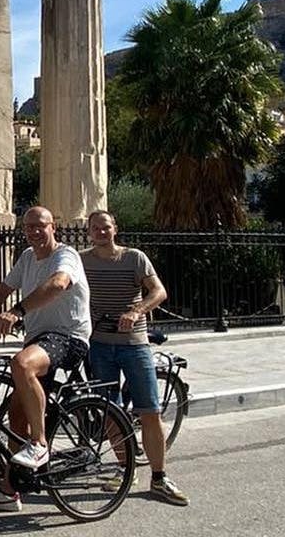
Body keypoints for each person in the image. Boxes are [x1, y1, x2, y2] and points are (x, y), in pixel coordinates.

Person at [81, 210, 188, 506]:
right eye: (95, 228)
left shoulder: (134, 258)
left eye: (106, 227)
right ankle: (124, 468)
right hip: (99, 344)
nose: (101, 232)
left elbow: (158, 291)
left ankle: (159, 477)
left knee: (149, 411)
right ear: (88, 232)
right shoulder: (81, 259)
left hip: (134, 343)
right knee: (109, 411)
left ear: (115, 229)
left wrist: (135, 311)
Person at [0, 205, 91, 475]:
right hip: (39, 339)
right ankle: (12, 486)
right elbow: (3, 289)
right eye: (29, 227)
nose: (34, 231)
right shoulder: (28, 257)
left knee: (22, 364)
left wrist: (16, 312)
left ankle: (40, 444)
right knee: (16, 414)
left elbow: (58, 284)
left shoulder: (66, 255)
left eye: (41, 225)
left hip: (68, 336)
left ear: (54, 227)